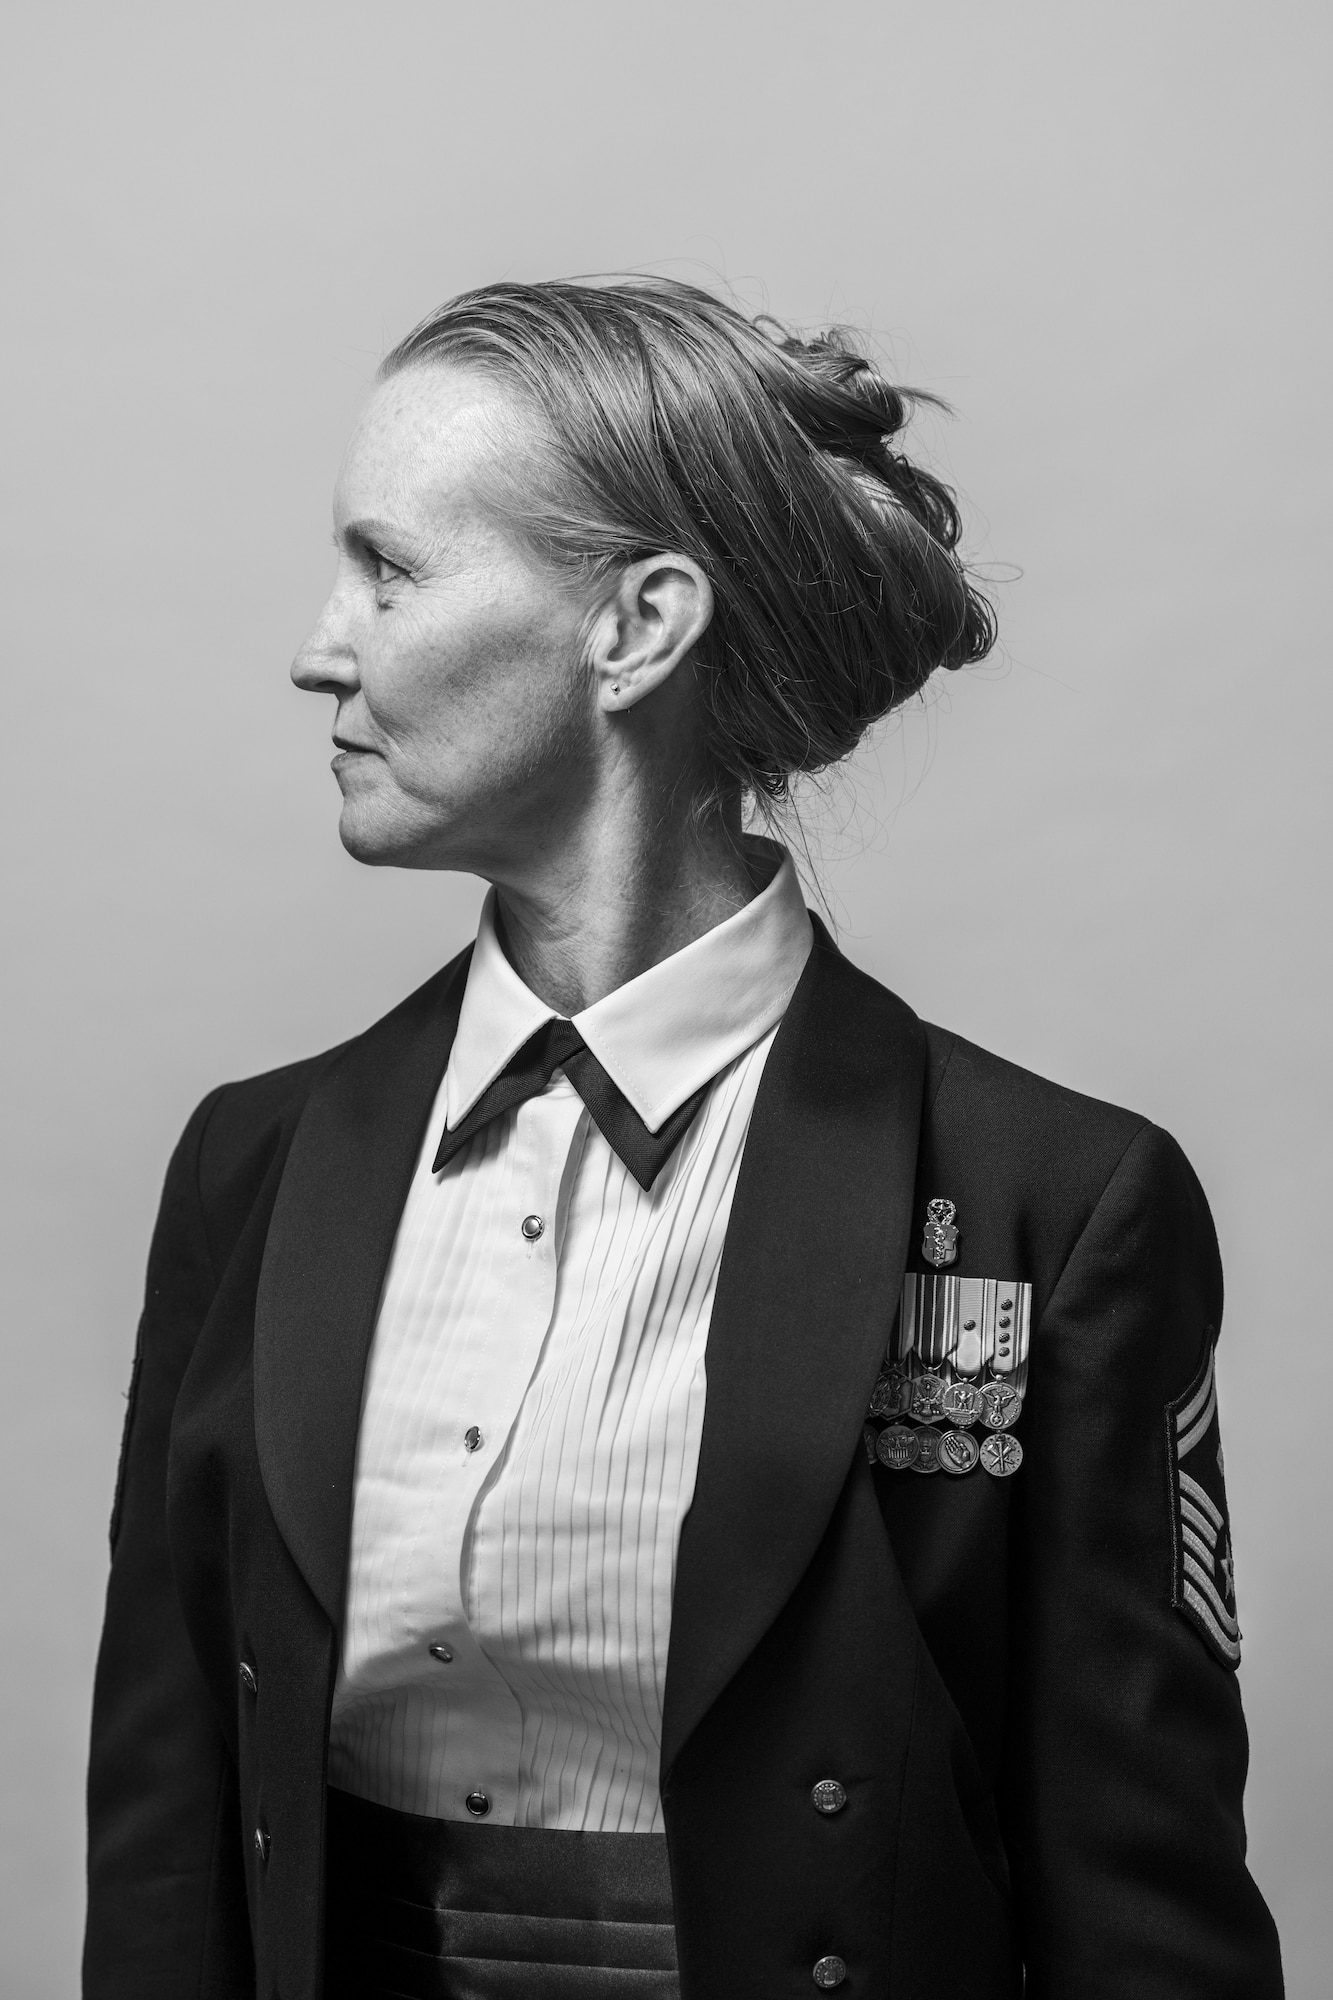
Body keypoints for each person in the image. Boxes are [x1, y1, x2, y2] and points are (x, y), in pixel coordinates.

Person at [83, 278, 1283, 2000]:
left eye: (390, 568)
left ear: (637, 626)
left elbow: (1142, 1912)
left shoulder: (1056, 1206)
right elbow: (168, 1846)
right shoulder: (248, 1169)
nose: (317, 643)